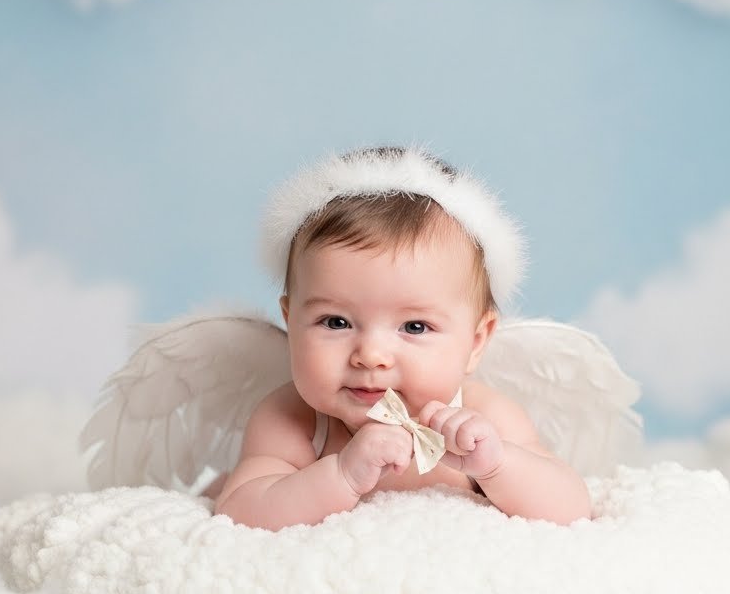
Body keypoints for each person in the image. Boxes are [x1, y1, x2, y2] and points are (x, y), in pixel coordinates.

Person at [215, 147, 592, 530]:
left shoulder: (483, 417)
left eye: (414, 327)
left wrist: (497, 466)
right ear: (291, 322)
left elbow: (572, 508)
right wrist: (341, 475)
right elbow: (240, 512)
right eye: (336, 322)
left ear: (476, 343)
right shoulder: (294, 420)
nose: (371, 355)